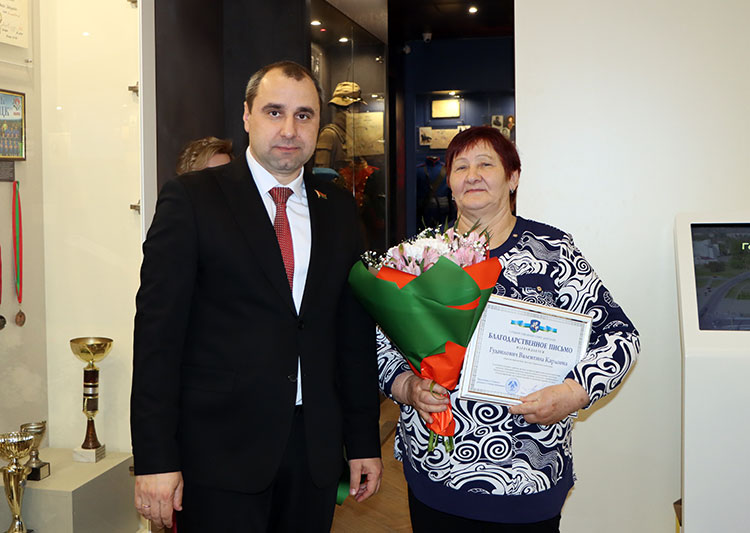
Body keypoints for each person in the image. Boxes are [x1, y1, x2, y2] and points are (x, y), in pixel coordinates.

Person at [131, 60, 382, 532]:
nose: (289, 129)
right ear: (247, 115)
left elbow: (352, 336)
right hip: (218, 454)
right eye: (274, 112)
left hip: (313, 451)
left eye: (304, 115)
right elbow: (157, 339)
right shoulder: (192, 199)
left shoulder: (339, 209)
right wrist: (155, 458)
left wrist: (363, 441)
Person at [378, 126, 640, 531]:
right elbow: (381, 344)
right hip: (436, 470)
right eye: (461, 167)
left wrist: (573, 392)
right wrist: (406, 386)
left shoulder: (552, 252)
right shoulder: (420, 256)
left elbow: (621, 336)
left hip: (527, 474)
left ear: (513, 178)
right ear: (450, 182)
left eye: (486, 164)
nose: (472, 175)